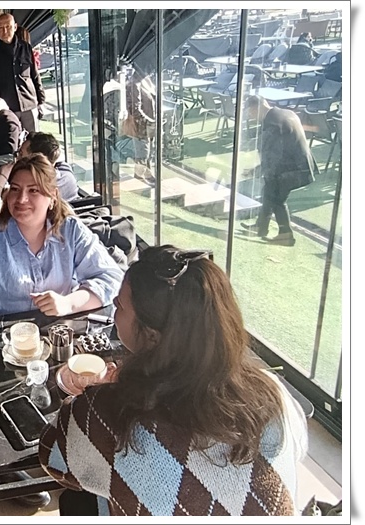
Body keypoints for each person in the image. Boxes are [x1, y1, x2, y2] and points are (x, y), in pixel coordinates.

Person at [39, 245, 308, 516]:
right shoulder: (273, 392)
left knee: (78, 501)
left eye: (119, 305)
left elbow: (54, 458)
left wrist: (93, 395)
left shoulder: (105, 414)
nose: (114, 310)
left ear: (151, 335)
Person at [0, 154, 124, 323]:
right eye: (15, 189)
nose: (21, 199)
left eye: (33, 190)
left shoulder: (71, 230)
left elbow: (112, 279)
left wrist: (68, 303)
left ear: (53, 196)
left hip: (54, 334)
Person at [240, 95, 316, 246]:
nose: (251, 116)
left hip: (292, 169)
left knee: (276, 199)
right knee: (269, 191)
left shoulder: (273, 123)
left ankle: (286, 235)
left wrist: (258, 171)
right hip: (300, 165)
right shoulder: (285, 113)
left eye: (250, 112)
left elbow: (273, 155)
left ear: (257, 108)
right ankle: (261, 227)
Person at [0, 13, 45, 134]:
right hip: (7, 106)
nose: (5, 31)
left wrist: (41, 100)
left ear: (15, 27)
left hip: (29, 103)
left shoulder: (26, 47)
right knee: (12, 140)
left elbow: (35, 75)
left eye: (8, 27)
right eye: (1, 27)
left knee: (34, 139)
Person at [19, 132, 78, 201]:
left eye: (21, 154)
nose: (17, 157)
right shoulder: (66, 171)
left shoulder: (35, 189)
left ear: (37, 160)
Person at [125, 69, 156, 182]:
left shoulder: (146, 80)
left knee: (149, 151)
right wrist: (148, 121)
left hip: (149, 123)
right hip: (141, 125)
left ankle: (148, 174)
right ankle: (139, 177)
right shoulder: (134, 84)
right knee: (142, 152)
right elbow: (135, 109)